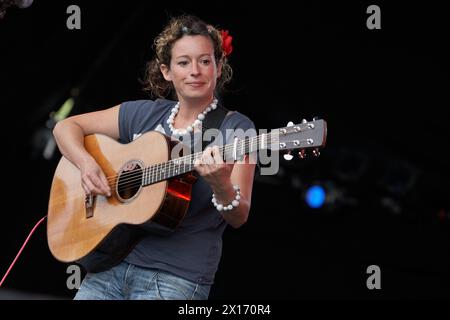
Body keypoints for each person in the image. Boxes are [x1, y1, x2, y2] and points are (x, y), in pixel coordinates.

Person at [52, 14, 257, 300]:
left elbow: (239, 216)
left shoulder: (237, 128)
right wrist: (87, 166)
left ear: (219, 68)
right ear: (166, 71)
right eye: (183, 62)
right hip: (110, 264)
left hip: (175, 278)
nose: (195, 71)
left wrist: (221, 184)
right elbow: (66, 127)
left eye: (205, 61)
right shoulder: (143, 113)